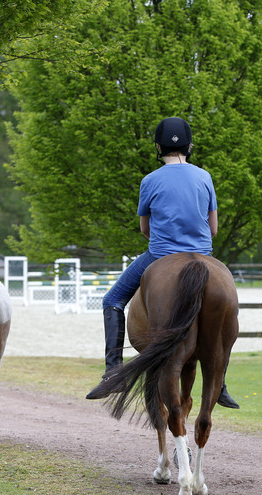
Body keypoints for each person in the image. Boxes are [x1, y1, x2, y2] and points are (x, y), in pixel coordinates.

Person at [87, 117, 238, 408]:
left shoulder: (150, 180)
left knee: (113, 300)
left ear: (159, 147)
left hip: (160, 255)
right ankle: (220, 385)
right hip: (203, 255)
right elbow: (214, 228)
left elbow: (145, 230)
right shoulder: (204, 177)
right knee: (225, 310)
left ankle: (113, 373)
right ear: (189, 145)